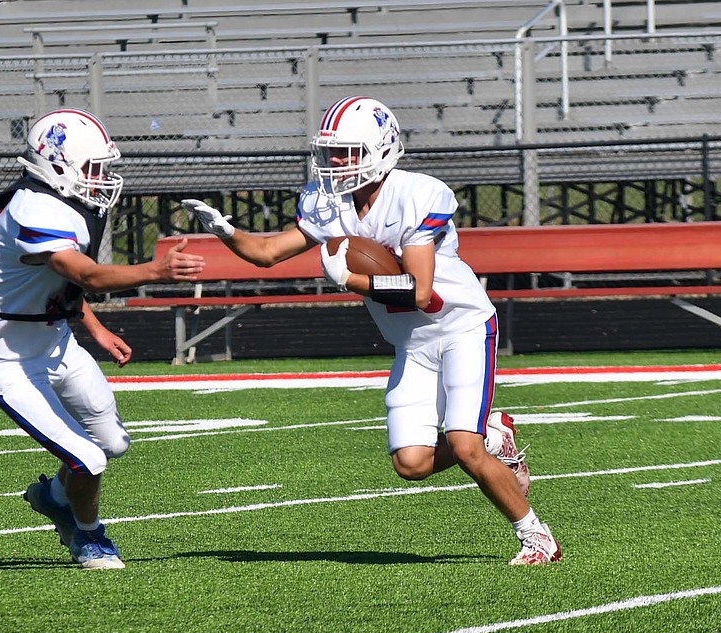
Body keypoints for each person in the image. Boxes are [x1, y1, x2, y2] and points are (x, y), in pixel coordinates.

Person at [181, 96, 560, 565]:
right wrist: (227, 232)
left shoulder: (419, 193)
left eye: (348, 152)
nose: (336, 162)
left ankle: (536, 536)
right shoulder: (326, 202)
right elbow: (265, 253)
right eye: (332, 152)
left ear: (381, 150)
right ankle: (497, 434)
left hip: (461, 326)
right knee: (412, 464)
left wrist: (351, 279)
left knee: (465, 446)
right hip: (412, 341)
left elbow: (421, 292)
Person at [0, 108, 204, 570]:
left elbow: (61, 282)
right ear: (56, 164)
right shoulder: (32, 208)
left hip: (54, 341)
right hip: (4, 357)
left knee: (112, 444)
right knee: (88, 460)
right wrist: (154, 271)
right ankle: (89, 536)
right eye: (93, 168)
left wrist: (93, 328)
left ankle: (55, 499)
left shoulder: (65, 204)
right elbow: (85, 274)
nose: (101, 178)